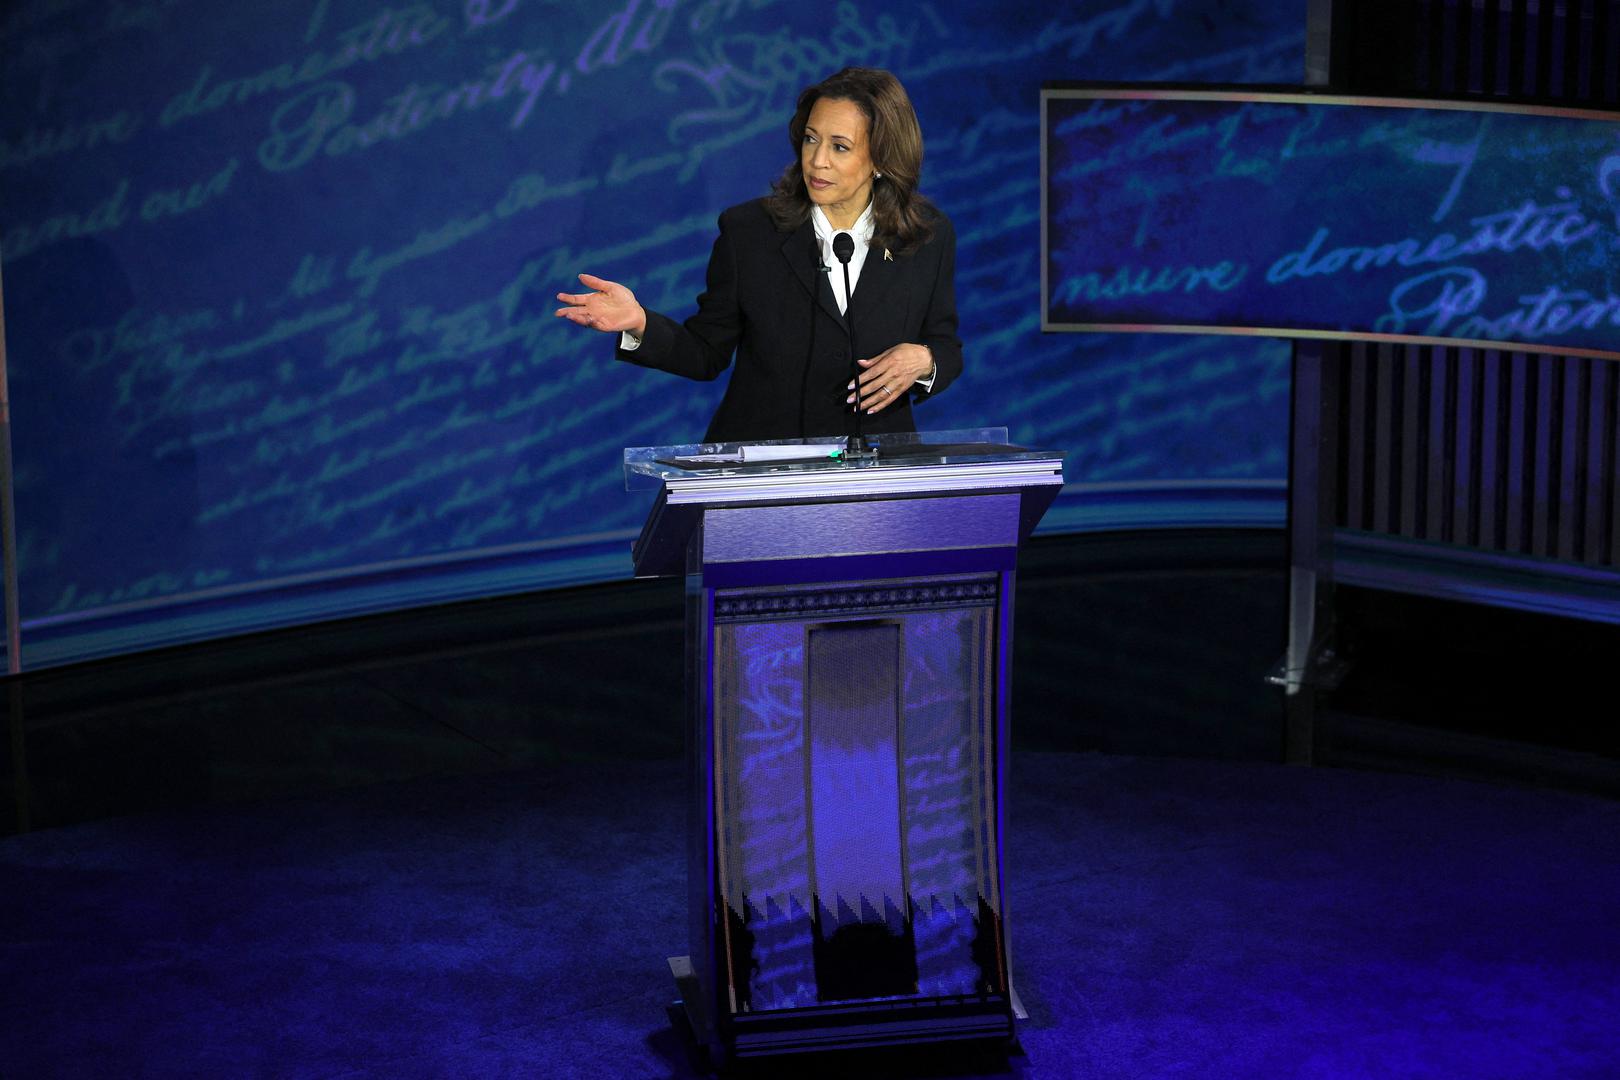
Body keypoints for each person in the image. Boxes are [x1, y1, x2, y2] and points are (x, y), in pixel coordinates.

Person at [555, 67, 962, 443]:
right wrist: (641, 323)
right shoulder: (750, 232)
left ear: (880, 158)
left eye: (840, 147)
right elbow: (706, 353)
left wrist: (924, 360)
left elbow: (945, 344)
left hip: (876, 469)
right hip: (763, 468)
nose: (817, 161)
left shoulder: (926, 236)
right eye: (810, 138)